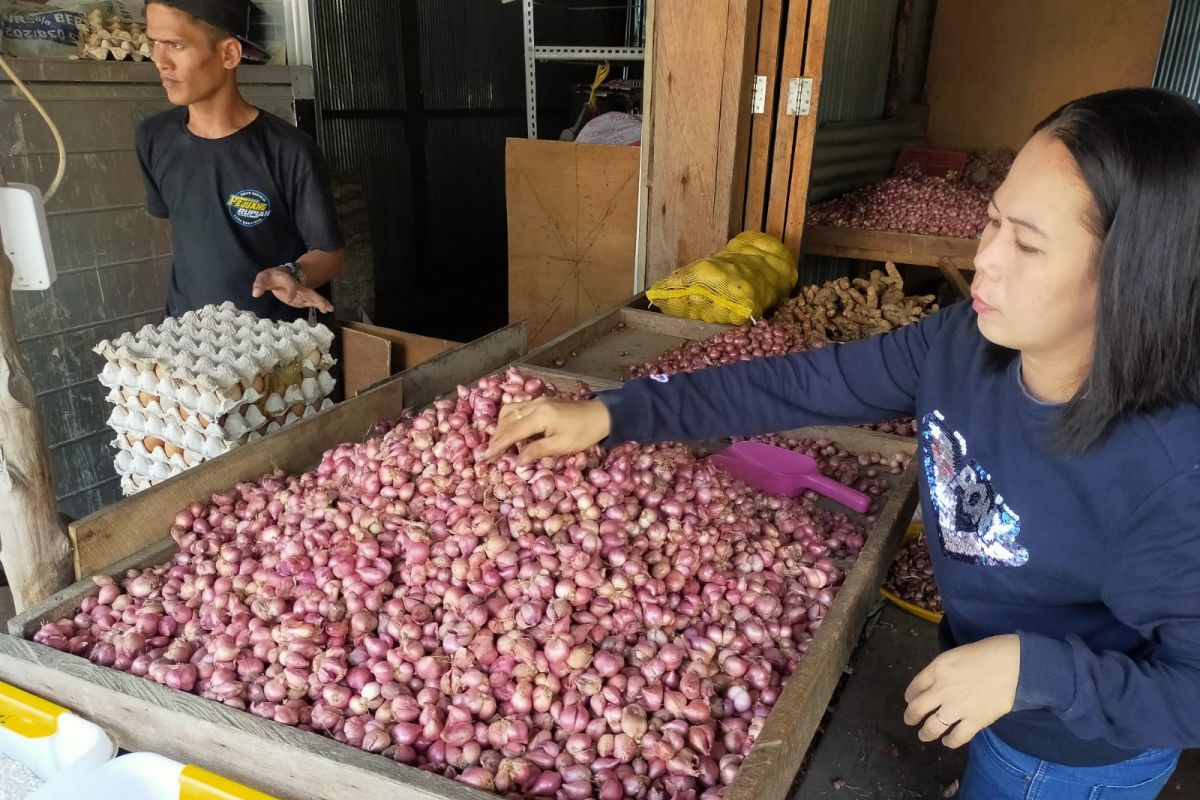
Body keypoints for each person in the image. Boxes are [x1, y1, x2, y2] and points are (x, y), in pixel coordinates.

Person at [486, 87, 1200, 799]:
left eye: (1028, 243)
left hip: (1073, 754)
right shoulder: (960, 347)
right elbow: (799, 385)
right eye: (991, 221)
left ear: (1131, 280)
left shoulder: (1171, 470)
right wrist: (618, 414)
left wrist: (1032, 671)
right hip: (997, 692)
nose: (984, 260)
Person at [136, 0, 345, 321]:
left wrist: (294, 274)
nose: (160, 61)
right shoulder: (153, 137)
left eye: (175, 45)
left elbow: (330, 255)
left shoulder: (288, 150)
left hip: (269, 344)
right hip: (187, 337)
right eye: (154, 43)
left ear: (229, 54)